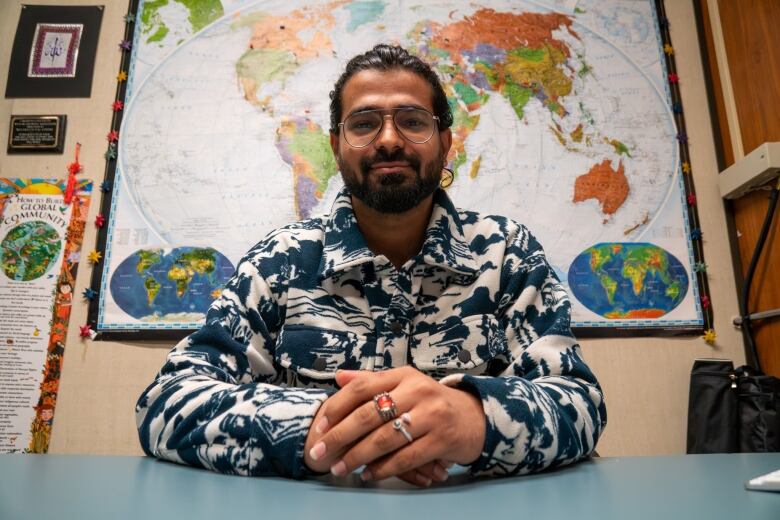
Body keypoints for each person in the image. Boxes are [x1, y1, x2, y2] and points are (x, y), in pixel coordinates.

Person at [136, 44, 607, 487]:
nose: (388, 140)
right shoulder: (280, 259)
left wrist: (472, 417)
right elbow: (167, 403)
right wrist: (329, 424)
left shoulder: (506, 253)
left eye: (412, 121)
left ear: (445, 142)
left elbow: (580, 404)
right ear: (336, 145)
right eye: (363, 124)